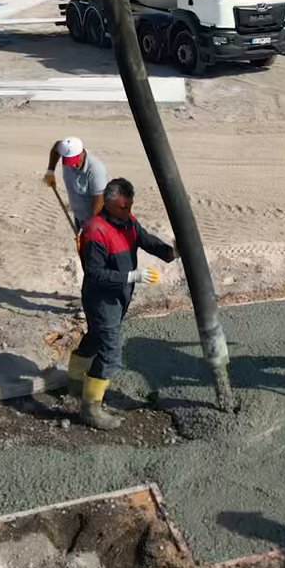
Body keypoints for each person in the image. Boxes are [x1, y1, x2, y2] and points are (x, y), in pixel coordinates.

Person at [68, 178, 176, 428]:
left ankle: (74, 382)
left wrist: (171, 252)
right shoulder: (95, 231)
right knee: (111, 353)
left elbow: (146, 239)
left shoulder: (127, 221)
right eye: (123, 207)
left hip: (119, 296)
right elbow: (94, 273)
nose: (128, 212)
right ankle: (90, 409)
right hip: (101, 298)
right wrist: (131, 276)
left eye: (130, 206)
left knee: (95, 337)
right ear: (109, 204)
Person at [43, 137, 107, 231]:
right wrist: (50, 171)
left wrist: (90, 229)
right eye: (68, 161)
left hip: (94, 220)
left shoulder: (95, 170)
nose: (72, 165)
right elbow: (56, 148)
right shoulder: (64, 149)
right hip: (78, 216)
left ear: (81, 153)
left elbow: (99, 203)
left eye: (74, 161)